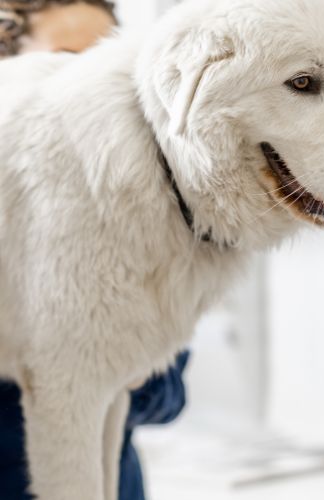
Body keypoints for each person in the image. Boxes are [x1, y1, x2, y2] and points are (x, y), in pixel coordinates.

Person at [0, 2, 190, 499]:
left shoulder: (162, 219)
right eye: (68, 59)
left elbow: (169, 396)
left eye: (105, 60)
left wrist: (113, 362)